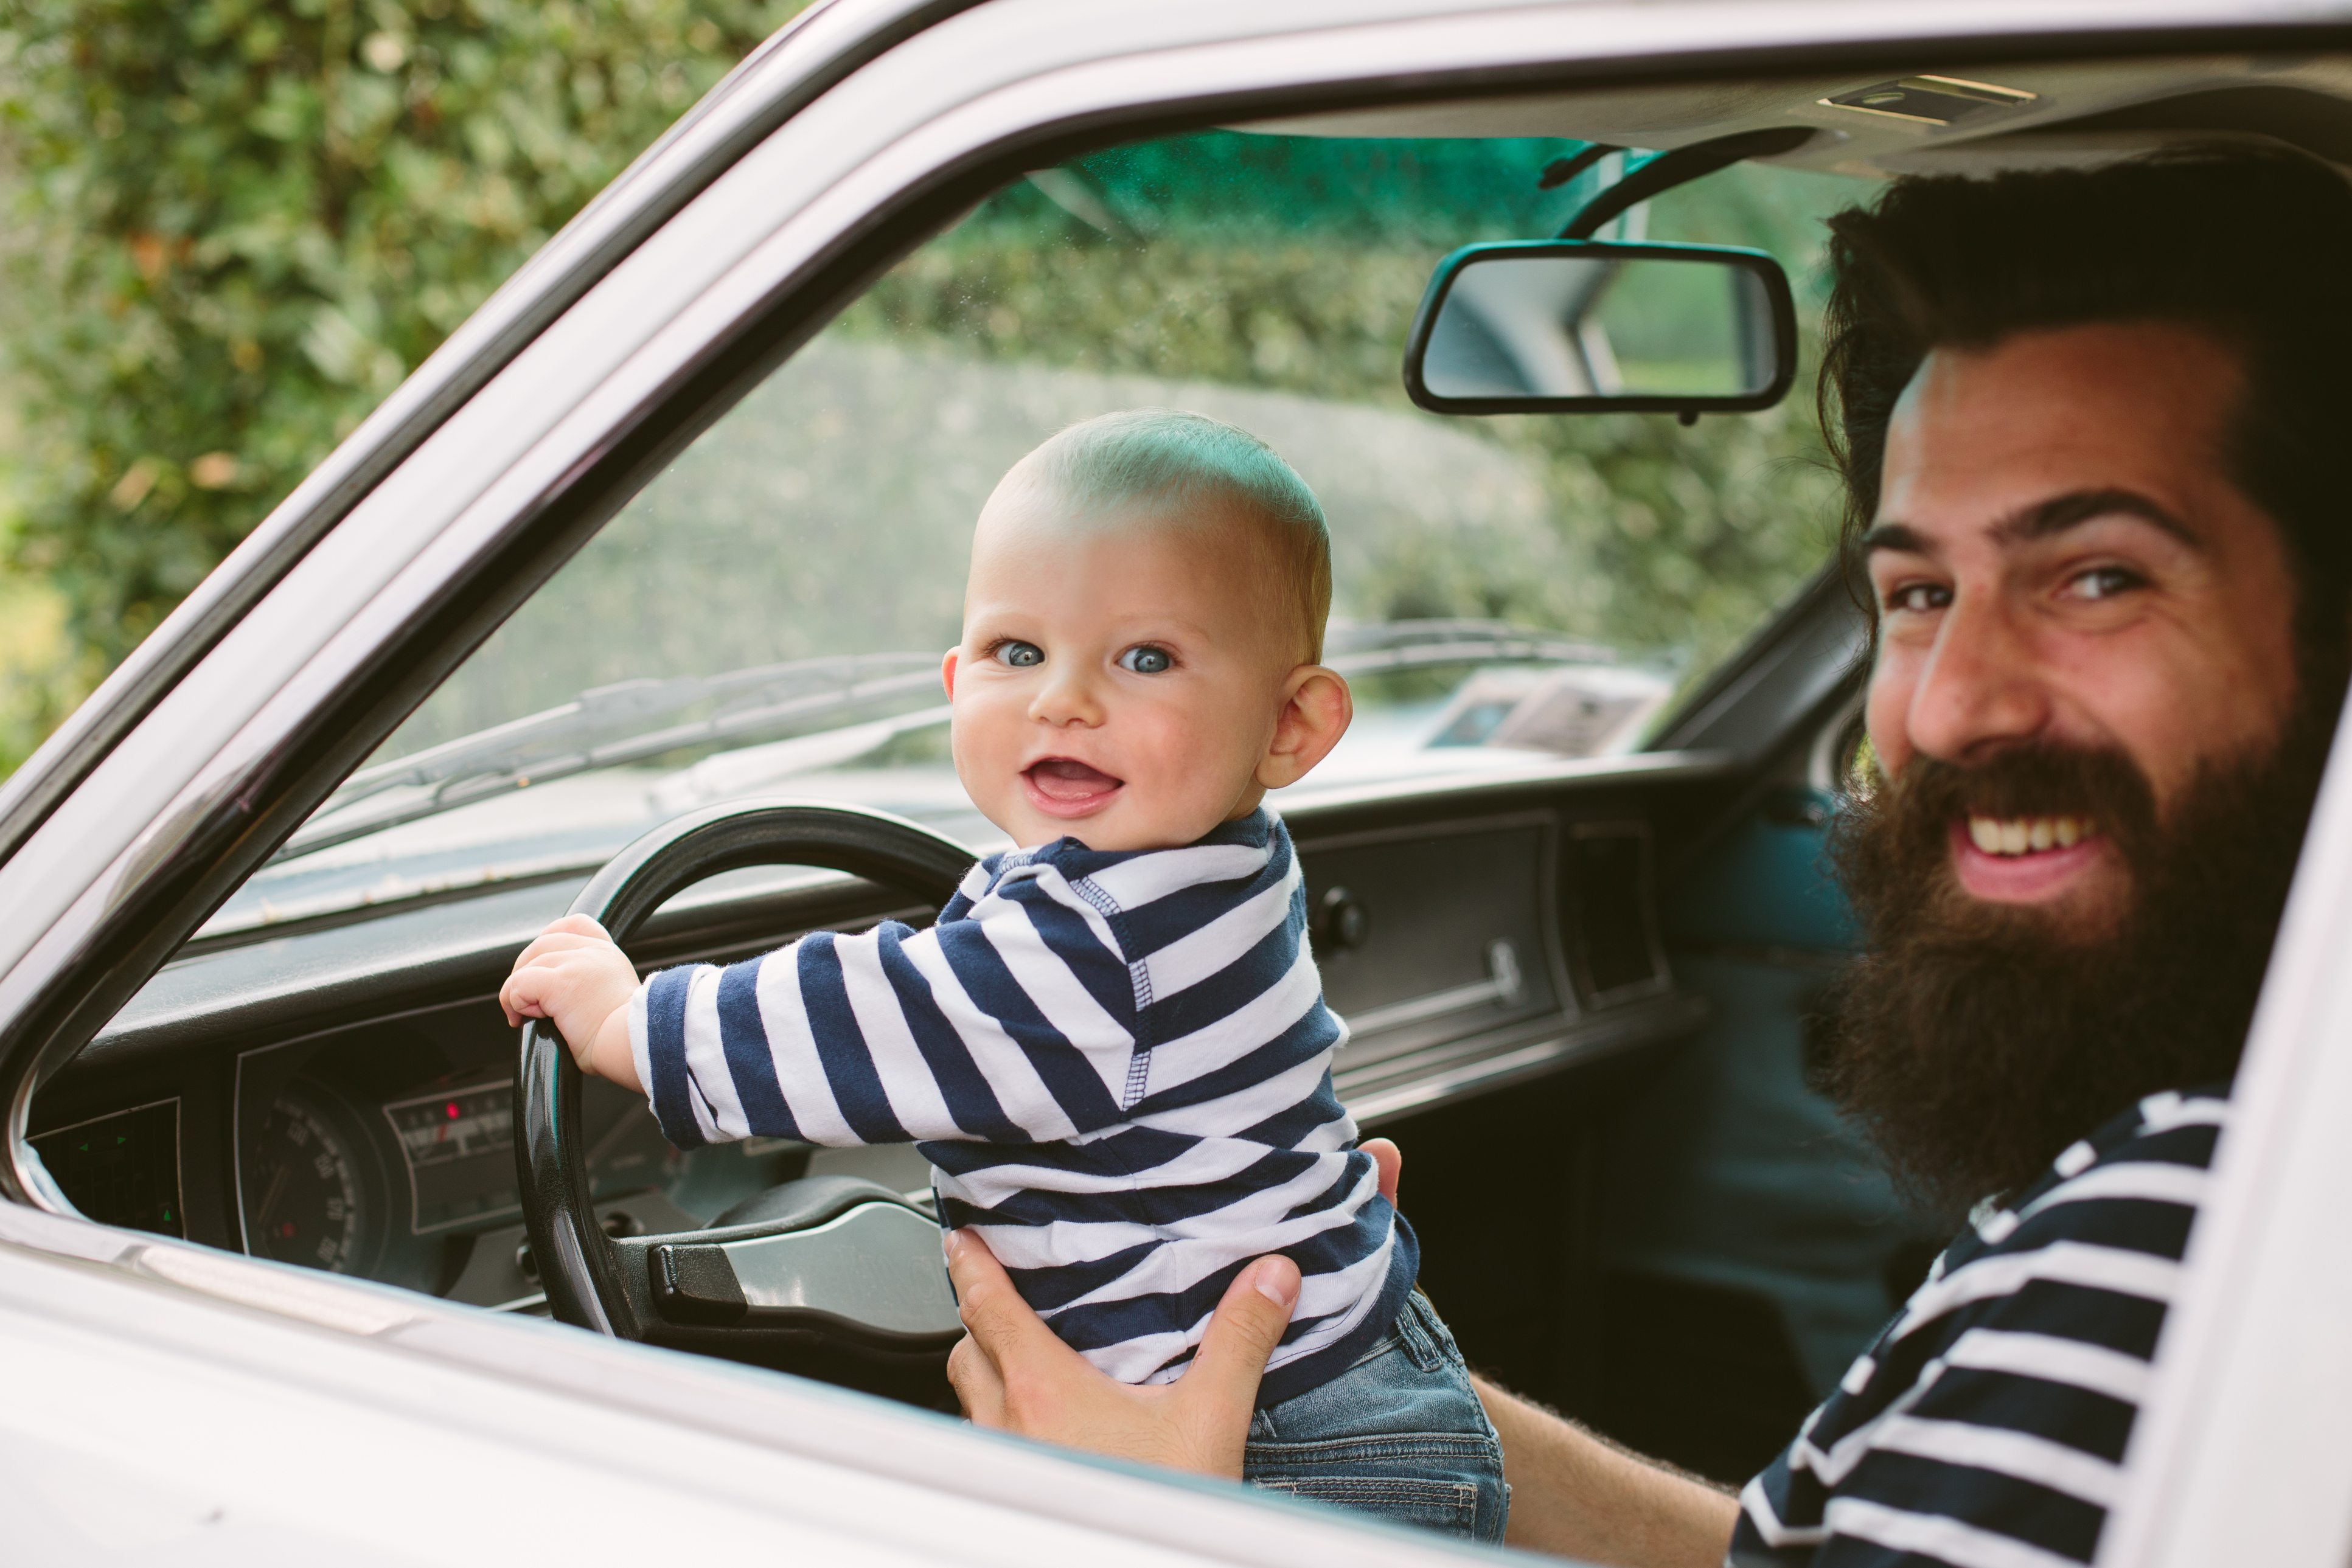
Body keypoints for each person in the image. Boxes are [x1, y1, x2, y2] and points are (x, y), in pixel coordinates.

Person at [936, 146, 2352, 1568]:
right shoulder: (2219, 1167)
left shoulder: (2177, 1258)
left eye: (2097, 576)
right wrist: (1338, 1391)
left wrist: (1153, 1532)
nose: (1950, 700)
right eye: (1917, 592)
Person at [498, 408, 1511, 1541]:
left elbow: (889, 1018)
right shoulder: (1204, 867)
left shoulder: (1103, 949)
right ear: (953, 677)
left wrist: (636, 1021)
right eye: (1016, 652)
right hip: (1338, 1378)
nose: (1060, 699)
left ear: (1289, 723)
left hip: (1288, 1441)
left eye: (1146, 657)